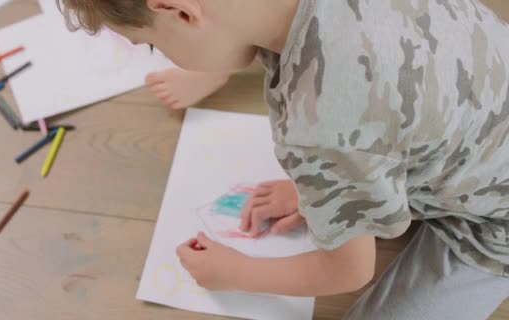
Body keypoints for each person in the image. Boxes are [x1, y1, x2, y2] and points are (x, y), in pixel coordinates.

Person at [58, 0, 509, 318]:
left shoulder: (319, 124)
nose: (163, 55)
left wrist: (236, 271)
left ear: (178, 10)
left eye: (153, 45)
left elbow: (349, 271)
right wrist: (326, 186)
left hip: (495, 220)